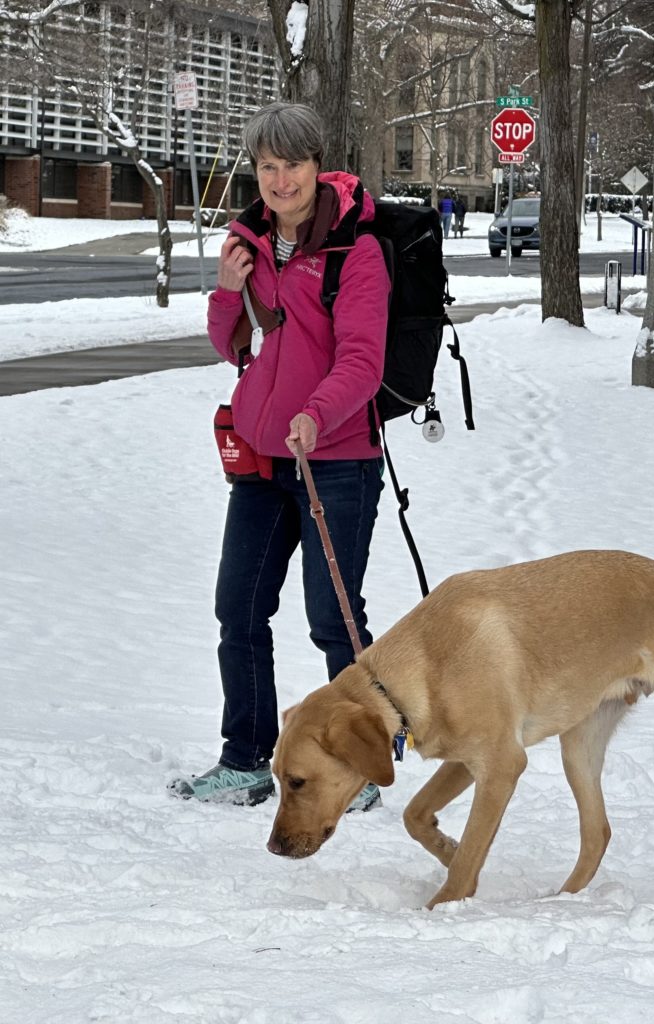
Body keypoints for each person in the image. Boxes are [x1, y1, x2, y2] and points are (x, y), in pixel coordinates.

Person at [170, 102, 390, 811]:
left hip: (339, 460)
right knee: (239, 608)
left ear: (315, 165)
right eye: (267, 166)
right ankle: (245, 759)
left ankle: (359, 765)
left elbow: (361, 360)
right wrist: (226, 291)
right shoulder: (251, 245)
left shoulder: (355, 251)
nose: (279, 179)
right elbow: (231, 345)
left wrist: (315, 414)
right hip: (265, 465)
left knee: (334, 620)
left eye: (291, 164)